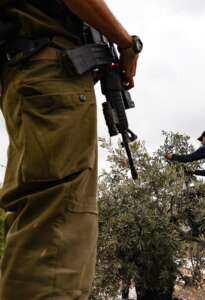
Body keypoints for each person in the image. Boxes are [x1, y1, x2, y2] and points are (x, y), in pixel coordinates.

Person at [0, 0, 141, 298]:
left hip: (29, 78)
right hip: (51, 77)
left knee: (35, 220)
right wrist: (127, 44)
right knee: (61, 224)